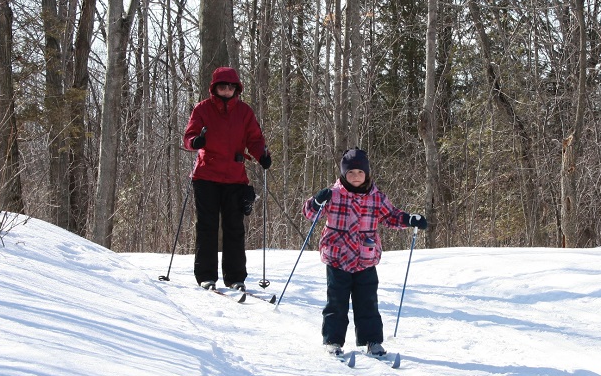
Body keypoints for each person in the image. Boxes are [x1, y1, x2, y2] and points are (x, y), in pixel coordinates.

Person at [303, 147, 428, 360]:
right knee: (337, 302)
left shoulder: (376, 197)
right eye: (350, 173)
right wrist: (316, 201)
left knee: (368, 302)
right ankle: (333, 340)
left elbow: (391, 216)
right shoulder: (333, 195)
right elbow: (309, 213)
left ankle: (372, 341)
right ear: (343, 174)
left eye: (360, 172)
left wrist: (409, 219)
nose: (356, 177)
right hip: (338, 257)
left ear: (367, 173)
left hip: (365, 258)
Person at [183, 66, 272, 292]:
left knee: (234, 228)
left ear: (236, 88)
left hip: (235, 176)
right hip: (206, 175)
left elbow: (254, 138)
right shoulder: (202, 109)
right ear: (214, 88)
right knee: (207, 226)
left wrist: (261, 154)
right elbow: (189, 136)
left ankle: (235, 277)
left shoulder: (244, 112)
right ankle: (206, 275)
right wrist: (195, 142)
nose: (227, 90)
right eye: (222, 86)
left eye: (231, 86)